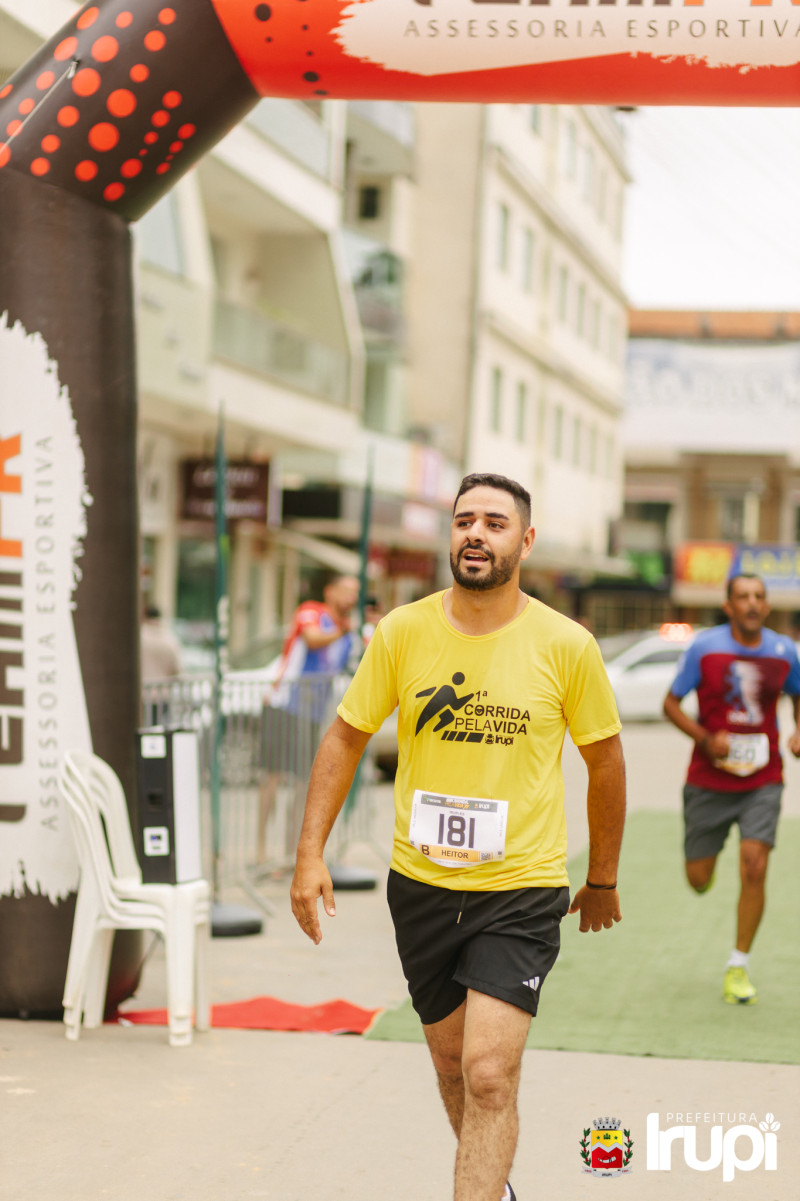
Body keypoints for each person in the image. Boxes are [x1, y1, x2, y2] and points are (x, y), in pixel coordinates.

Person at [291, 473, 626, 1201]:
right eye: (464, 519)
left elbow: (605, 762)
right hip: (421, 886)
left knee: (488, 1073)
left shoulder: (566, 645)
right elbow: (346, 736)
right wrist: (309, 852)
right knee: (450, 1066)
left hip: (521, 887)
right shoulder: (403, 631)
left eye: (495, 523)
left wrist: (602, 876)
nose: (476, 533)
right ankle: (495, 1188)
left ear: (525, 542)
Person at [663, 573, 800, 1006]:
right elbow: (670, 704)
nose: (752, 603)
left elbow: (798, 695)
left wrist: (798, 730)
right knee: (698, 879)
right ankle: (706, 858)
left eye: (759, 596)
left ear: (767, 606)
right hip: (709, 779)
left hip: (763, 777)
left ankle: (738, 964)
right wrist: (706, 739)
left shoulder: (784, 651)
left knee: (755, 866)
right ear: (728, 606)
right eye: (743, 596)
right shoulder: (704, 648)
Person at [258, 574, 360, 862]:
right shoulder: (311, 612)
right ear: (329, 591)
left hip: (312, 714)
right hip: (284, 704)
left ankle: (290, 853)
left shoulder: (349, 634)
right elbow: (313, 639)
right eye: (345, 590)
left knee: (302, 783)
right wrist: (343, 631)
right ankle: (260, 850)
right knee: (272, 779)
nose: (351, 598)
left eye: (355, 592)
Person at [140, 604, 183, 682]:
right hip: (163, 687)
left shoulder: (138, 637)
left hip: (142, 686)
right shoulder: (170, 638)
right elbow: (177, 670)